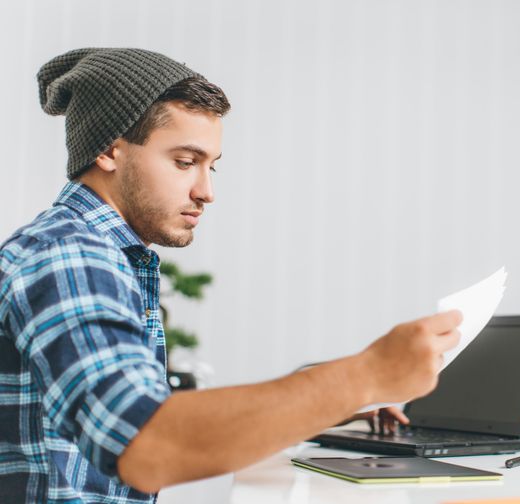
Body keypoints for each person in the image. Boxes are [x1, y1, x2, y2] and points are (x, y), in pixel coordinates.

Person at [0, 48, 462, 503]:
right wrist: (365, 376)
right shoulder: (67, 256)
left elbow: (140, 413)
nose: (206, 192)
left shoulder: (98, 255)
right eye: (185, 162)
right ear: (108, 151)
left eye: (211, 166)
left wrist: (339, 406)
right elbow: (146, 442)